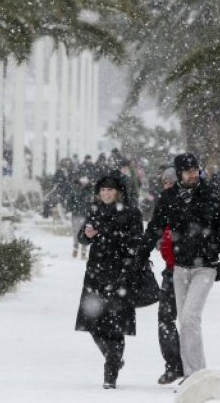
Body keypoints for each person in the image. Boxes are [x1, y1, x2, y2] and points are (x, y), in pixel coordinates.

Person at [137, 153, 220, 381]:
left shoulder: (212, 195)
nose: (192, 174)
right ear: (180, 173)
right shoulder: (169, 198)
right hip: (180, 267)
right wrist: (139, 258)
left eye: (195, 170)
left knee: (190, 317)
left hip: (206, 266)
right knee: (185, 320)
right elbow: (154, 228)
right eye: (187, 171)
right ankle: (196, 371)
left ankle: (195, 374)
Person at [74, 174, 145, 389]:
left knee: (115, 327)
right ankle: (113, 359)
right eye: (102, 190)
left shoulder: (131, 212)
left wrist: (108, 236)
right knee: (93, 324)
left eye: (110, 190)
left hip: (120, 275)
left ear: (118, 192)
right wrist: (88, 235)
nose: (106, 194)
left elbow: (136, 242)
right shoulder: (95, 210)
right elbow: (82, 237)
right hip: (96, 273)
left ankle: (110, 374)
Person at [155, 167, 183, 384]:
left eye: (171, 182)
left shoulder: (187, 203)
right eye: (165, 183)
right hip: (170, 271)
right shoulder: (163, 205)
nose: (168, 186)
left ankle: (189, 368)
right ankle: (174, 365)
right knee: (165, 318)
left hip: (188, 269)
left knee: (188, 320)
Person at [67, 176, 93, 259]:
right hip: (76, 215)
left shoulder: (90, 191)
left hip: (86, 215)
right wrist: (72, 208)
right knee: (75, 232)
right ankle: (75, 248)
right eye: (82, 183)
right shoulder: (75, 190)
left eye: (85, 183)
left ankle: (84, 250)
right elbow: (69, 201)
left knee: (85, 233)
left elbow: (92, 203)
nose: (83, 185)